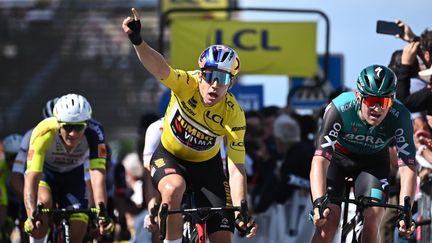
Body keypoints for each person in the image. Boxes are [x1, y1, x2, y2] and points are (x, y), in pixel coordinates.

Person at [122, 8, 256, 243]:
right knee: (173, 189)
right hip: (170, 157)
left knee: (223, 238)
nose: (214, 85)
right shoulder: (188, 84)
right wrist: (138, 41)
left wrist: (241, 208)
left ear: (231, 83)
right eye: (210, 76)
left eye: (223, 79)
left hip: (208, 168)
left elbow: (235, 167)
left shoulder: (234, 114)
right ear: (200, 74)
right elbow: (159, 68)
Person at [309, 65, 417, 243]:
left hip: (372, 164)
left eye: (384, 102)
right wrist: (319, 202)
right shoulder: (340, 107)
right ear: (359, 96)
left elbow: (408, 167)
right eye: (372, 100)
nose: (377, 108)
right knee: (326, 224)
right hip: (336, 161)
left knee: (373, 219)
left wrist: (405, 211)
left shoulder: (401, 116)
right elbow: (319, 160)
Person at [23, 93, 113, 243]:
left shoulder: (95, 132)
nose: (73, 133)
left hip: (73, 176)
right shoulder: (43, 132)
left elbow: (98, 176)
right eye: (68, 127)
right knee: (42, 209)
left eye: (79, 128)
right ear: (58, 124)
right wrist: (31, 215)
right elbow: (32, 177)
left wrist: (102, 212)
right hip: (46, 173)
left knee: (79, 227)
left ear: (87, 124)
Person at [1, 133, 23, 241]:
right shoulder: (2, 167)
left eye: (17, 157)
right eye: (10, 157)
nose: (13, 162)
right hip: (7, 202)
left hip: (22, 201)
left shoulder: (29, 167)